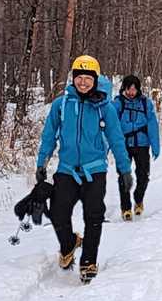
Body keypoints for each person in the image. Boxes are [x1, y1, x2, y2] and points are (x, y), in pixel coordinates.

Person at [35, 55, 130, 283]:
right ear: (73, 78)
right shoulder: (61, 105)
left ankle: (88, 261)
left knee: (93, 215)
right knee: (58, 213)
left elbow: (116, 139)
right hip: (67, 169)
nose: (83, 82)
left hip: (94, 170)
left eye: (88, 78)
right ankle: (69, 244)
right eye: (79, 77)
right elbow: (49, 135)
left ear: (95, 80)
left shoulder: (105, 108)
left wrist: (124, 169)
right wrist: (42, 163)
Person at [113, 74, 160, 220]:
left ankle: (138, 199)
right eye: (129, 89)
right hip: (124, 145)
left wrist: (155, 146)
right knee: (123, 176)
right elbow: (112, 126)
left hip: (142, 145)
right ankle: (126, 208)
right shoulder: (118, 103)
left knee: (143, 176)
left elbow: (152, 124)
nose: (131, 92)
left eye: (134, 89)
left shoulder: (146, 103)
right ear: (124, 88)